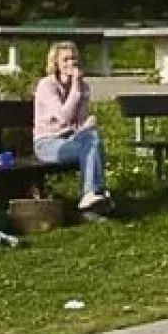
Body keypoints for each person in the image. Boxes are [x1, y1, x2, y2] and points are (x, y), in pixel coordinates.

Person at [32, 41, 112, 217]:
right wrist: (75, 87)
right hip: (47, 144)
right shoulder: (47, 86)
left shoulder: (84, 87)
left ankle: (91, 196)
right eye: (65, 60)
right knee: (91, 146)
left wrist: (87, 125)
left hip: (71, 140)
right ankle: (95, 194)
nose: (71, 63)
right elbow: (64, 117)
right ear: (56, 64)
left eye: (73, 58)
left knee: (93, 138)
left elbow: (78, 123)